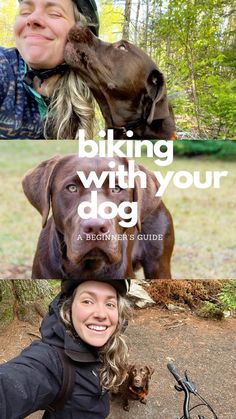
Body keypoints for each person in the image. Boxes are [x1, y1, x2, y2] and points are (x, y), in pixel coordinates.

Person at [0, 279, 132, 418]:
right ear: (68, 309)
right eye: (87, 301)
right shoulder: (51, 361)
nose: (101, 314)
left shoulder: (106, 347)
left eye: (110, 304)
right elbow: (11, 385)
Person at [0, 0, 99, 139]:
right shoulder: (4, 67)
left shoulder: (93, 92)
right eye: (25, 12)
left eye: (54, 13)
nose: (32, 19)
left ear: (82, 37)